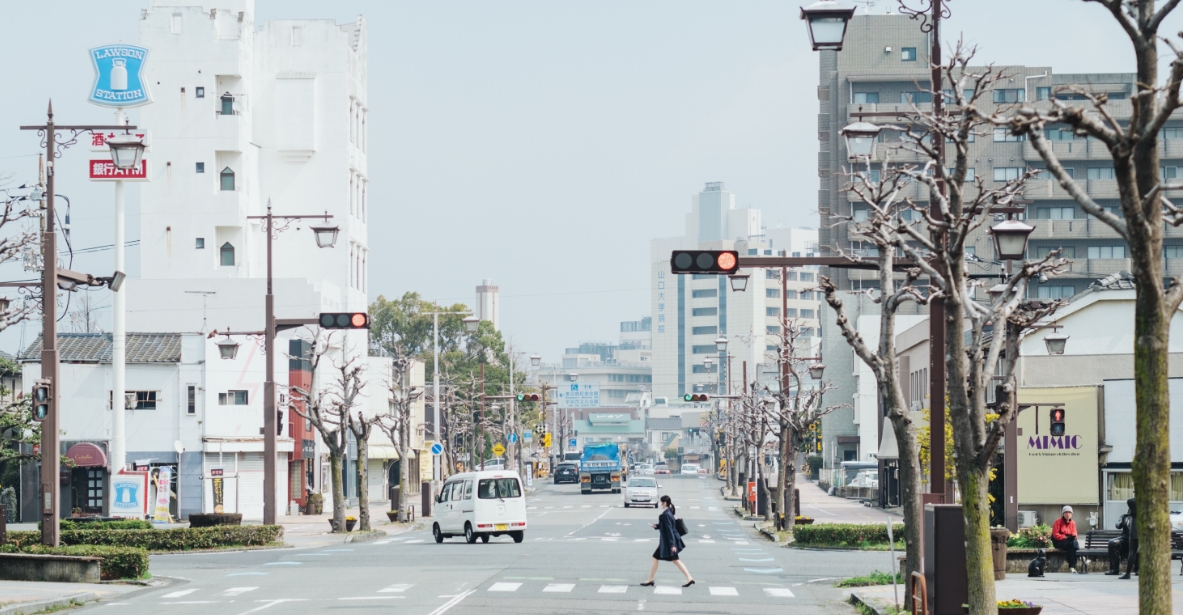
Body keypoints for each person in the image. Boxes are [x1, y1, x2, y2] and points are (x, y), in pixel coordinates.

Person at [640, 495, 694, 588]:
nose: (661, 504)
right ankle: (689, 578)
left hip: (668, 542)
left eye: (661, 502)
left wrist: (672, 545)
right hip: (669, 542)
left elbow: (669, 530)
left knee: (657, 558)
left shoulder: (665, 514)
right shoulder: (669, 512)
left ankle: (651, 579)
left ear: (664, 503)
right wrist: (657, 526)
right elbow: (667, 526)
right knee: (674, 560)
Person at [1107, 498, 1138, 576]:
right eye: (1129, 509)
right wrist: (1120, 523)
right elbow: (1118, 524)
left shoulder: (1138, 517)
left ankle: (1138, 569)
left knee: (1138, 547)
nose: (1129, 511)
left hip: (1135, 539)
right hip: (1125, 539)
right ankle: (1114, 569)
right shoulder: (1124, 517)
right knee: (1112, 542)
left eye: (1131, 509)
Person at [1051, 505, 1080, 573]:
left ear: (1072, 514)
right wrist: (1065, 537)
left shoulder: (1073, 523)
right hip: (1059, 542)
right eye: (1066, 512)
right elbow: (1056, 535)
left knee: (1072, 547)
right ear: (1063, 513)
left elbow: (1075, 534)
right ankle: (1081, 556)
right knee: (1073, 543)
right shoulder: (1058, 522)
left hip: (1069, 542)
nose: (1068, 514)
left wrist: (1072, 537)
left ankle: (1072, 567)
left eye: (1069, 513)